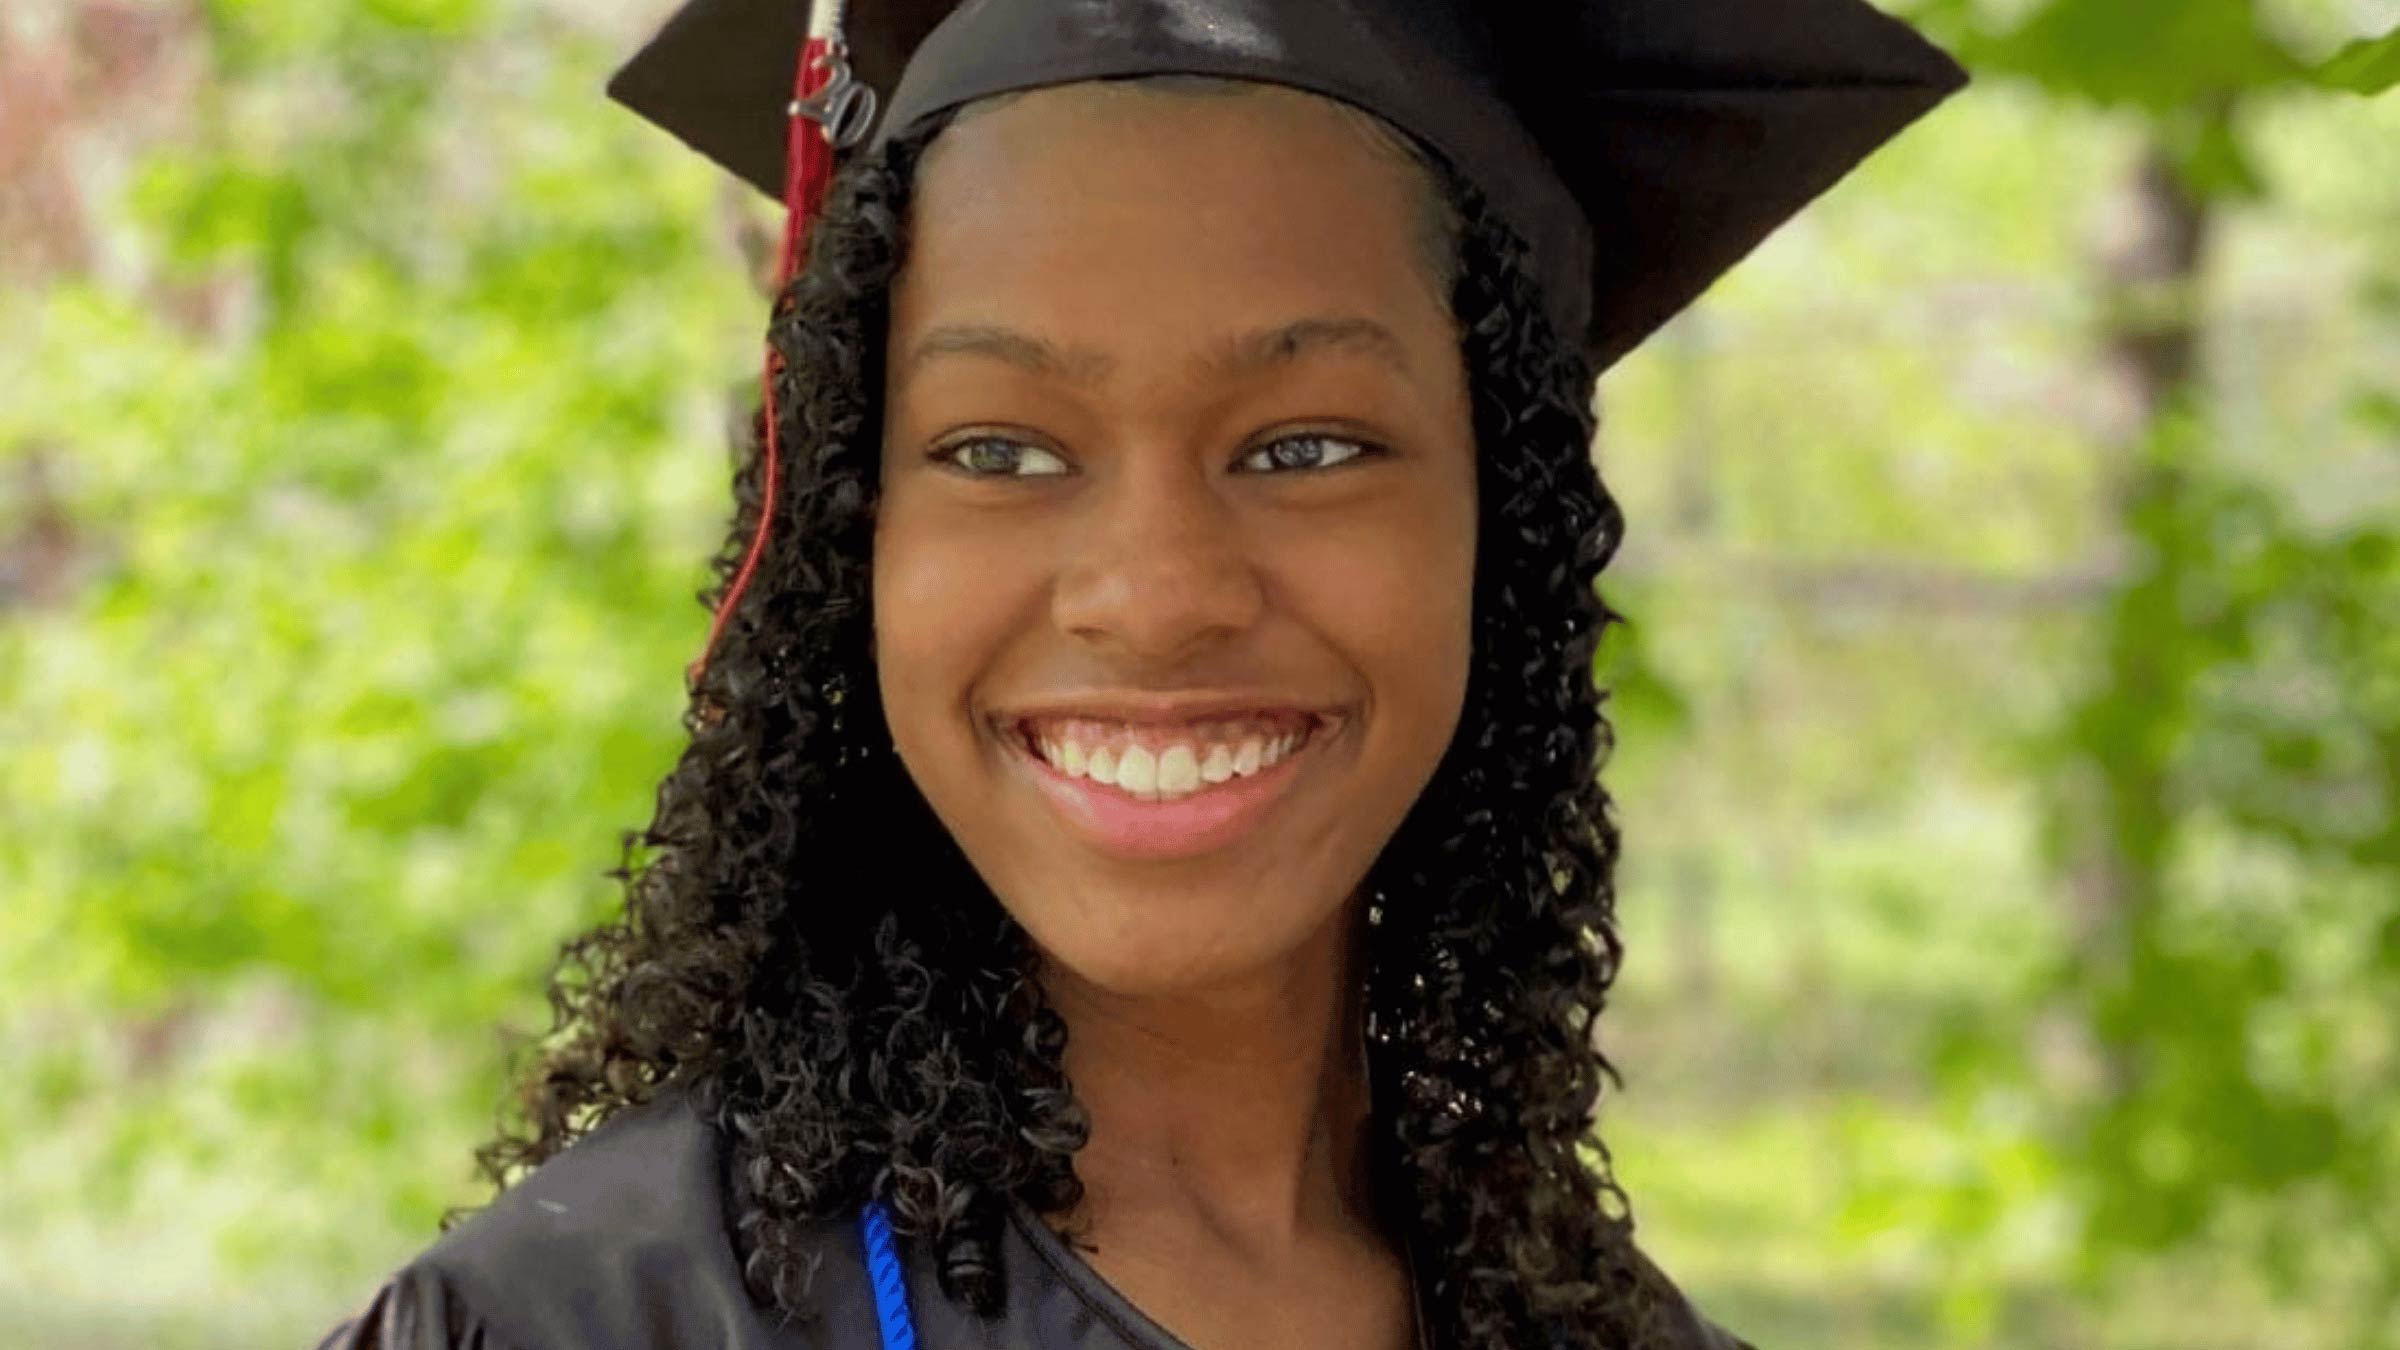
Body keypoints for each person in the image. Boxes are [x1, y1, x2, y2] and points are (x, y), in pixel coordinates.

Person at [318, 2, 1965, 1347]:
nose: (1158, 594)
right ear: (848, 536)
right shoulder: (591, 1322)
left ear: (1503, 531)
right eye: (1002, 449)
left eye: (1307, 444)